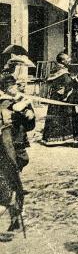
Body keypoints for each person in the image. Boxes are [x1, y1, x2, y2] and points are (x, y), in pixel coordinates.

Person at [0, 73, 34, 231]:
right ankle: (14, 217)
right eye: (11, 86)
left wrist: (30, 116)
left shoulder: (18, 100)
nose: (15, 88)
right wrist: (24, 103)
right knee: (11, 184)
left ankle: (15, 218)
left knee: (14, 183)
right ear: (6, 88)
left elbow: (29, 124)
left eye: (15, 85)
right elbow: (13, 109)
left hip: (17, 145)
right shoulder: (5, 101)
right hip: (6, 147)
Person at [43, 53, 75, 142]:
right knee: (60, 116)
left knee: (54, 115)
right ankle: (59, 138)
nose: (70, 60)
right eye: (68, 58)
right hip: (61, 97)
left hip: (55, 95)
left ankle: (51, 137)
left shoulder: (55, 69)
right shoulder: (62, 71)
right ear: (62, 61)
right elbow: (67, 82)